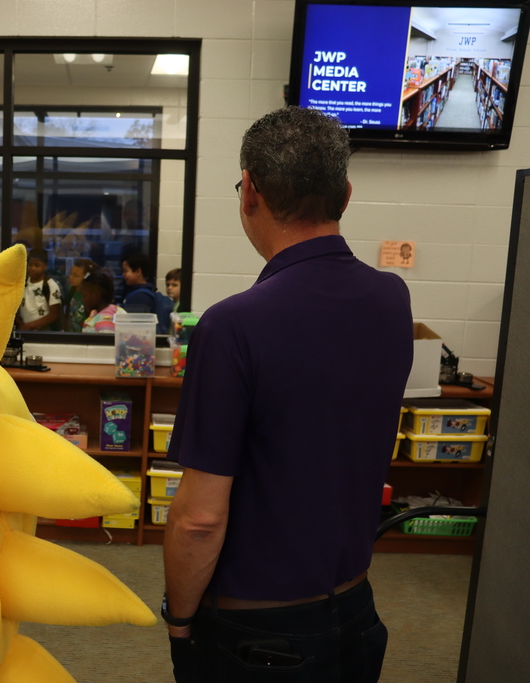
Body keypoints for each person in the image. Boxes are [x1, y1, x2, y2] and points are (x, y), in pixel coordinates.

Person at [162, 107, 413, 683]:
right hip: (354, 607)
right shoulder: (391, 300)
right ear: (345, 194)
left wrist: (179, 623)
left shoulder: (232, 326)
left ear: (249, 192)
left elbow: (199, 519)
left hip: (261, 634)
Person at [121, 253, 172, 334]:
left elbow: (135, 328)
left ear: (138, 272)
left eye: (125, 271)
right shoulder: (141, 292)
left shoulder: (141, 297)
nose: (123, 274)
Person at [17, 248, 62, 331]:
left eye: (37, 265)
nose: (33, 268)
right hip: (25, 329)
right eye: (30, 265)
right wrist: (21, 323)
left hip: (43, 331)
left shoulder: (50, 285)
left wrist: (30, 325)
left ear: (45, 266)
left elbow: (53, 315)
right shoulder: (23, 283)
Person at [63, 259, 94, 332]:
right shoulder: (71, 290)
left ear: (87, 277)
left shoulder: (91, 295)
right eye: (70, 274)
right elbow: (67, 310)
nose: (70, 277)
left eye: (76, 275)